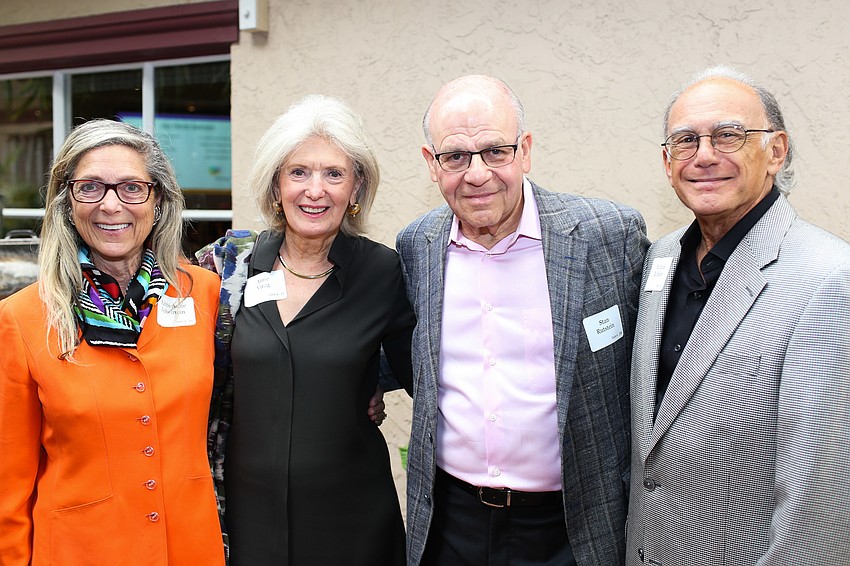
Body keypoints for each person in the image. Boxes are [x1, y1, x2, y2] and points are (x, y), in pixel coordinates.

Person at [397, 74, 650, 566]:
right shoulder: (417, 246)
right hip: (452, 523)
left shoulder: (609, 236)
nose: (477, 174)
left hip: (573, 528)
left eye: (496, 151)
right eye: (456, 156)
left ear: (525, 150)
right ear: (432, 163)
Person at [626, 65, 850, 565]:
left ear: (776, 151)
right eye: (686, 140)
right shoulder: (659, 259)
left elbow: (820, 501)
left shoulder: (830, 279)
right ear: (667, 162)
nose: (705, 156)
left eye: (728, 135)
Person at [197, 94, 414, 565]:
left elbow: (424, 369)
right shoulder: (227, 267)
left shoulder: (383, 272)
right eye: (298, 172)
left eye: (334, 174)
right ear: (276, 186)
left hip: (351, 523)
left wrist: (369, 379)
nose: (315, 190)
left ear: (356, 189)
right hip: (245, 519)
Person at [0, 119, 224, 565]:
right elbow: (8, 482)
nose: (110, 204)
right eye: (90, 187)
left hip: (189, 548)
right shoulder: (22, 318)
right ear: (67, 203)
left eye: (131, 188)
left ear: (158, 201)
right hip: (78, 551)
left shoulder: (204, 295)